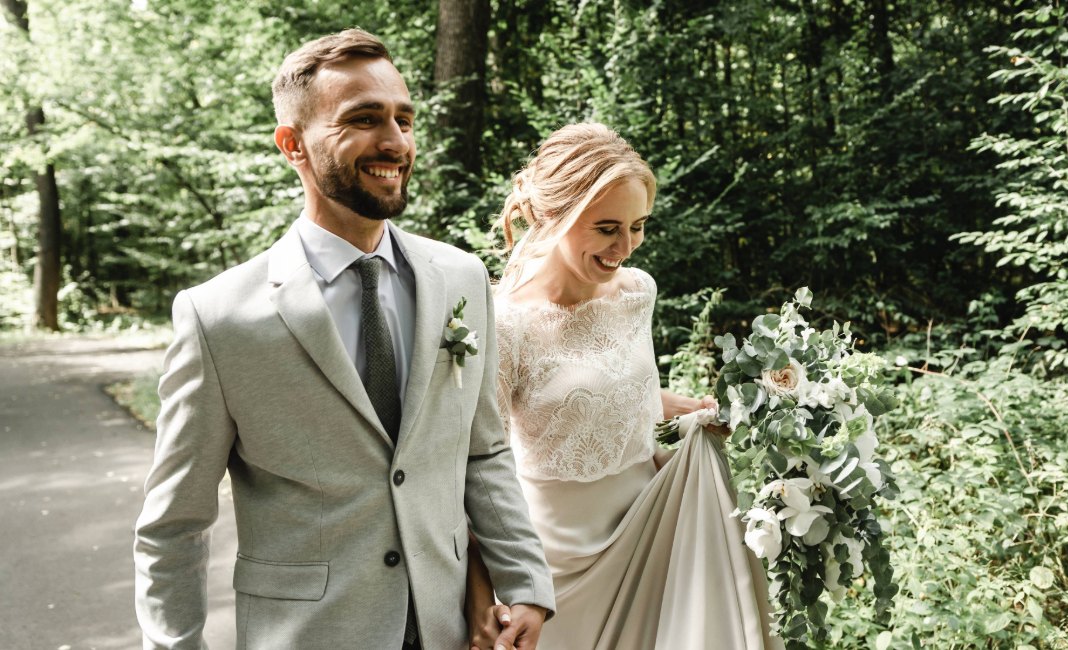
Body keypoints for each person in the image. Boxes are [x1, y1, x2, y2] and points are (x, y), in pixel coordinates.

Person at [133, 29, 554, 650]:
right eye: (364, 119)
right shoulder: (217, 317)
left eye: (404, 119)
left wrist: (524, 585)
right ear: (292, 145)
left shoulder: (462, 279)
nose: (395, 141)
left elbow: (483, 452)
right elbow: (175, 525)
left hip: (448, 630)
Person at [473, 123, 782, 650]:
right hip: (557, 564)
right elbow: (482, 467)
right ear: (553, 217)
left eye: (638, 226)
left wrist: (693, 413)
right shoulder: (503, 323)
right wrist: (484, 594)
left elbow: (615, 392)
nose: (626, 246)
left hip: (653, 529)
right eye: (607, 227)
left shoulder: (638, 292)